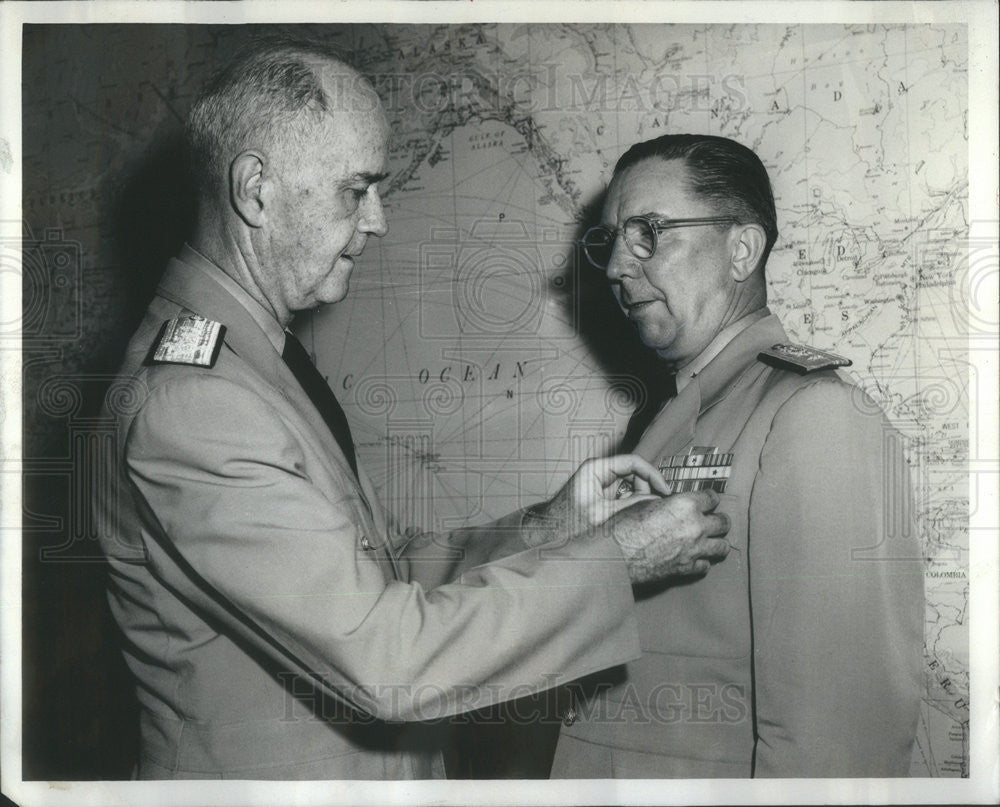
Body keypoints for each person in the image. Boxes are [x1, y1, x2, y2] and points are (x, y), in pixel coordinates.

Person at [95, 41, 732, 780]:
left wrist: (552, 526)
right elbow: (386, 654)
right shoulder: (197, 403)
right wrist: (618, 558)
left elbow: (383, 569)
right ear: (256, 191)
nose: (377, 221)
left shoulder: (257, 362)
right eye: (355, 189)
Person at [550, 134, 924, 778]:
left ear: (742, 250)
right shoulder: (671, 418)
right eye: (611, 239)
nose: (616, 265)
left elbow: (839, 743)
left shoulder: (814, 416)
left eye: (650, 232)